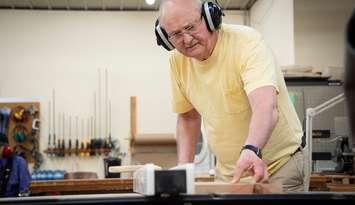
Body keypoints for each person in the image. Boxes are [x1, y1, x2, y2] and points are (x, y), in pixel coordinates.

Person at [155, 0, 307, 192]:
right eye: (176, 34)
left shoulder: (247, 43)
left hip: (278, 166)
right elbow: (188, 117)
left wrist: (252, 149)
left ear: (211, 17)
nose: (186, 40)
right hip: (229, 174)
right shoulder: (178, 61)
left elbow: (265, 106)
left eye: (190, 27)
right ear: (165, 37)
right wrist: (184, 170)